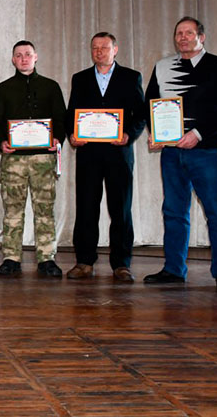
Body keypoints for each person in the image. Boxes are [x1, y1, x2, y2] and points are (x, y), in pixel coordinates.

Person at [144, 17, 217, 293]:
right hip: (172, 154)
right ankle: (174, 269)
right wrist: (154, 132)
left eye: (189, 33)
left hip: (207, 152)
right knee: (174, 212)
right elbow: (150, 104)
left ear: (202, 36)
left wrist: (197, 134)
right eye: (179, 33)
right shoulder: (163, 67)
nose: (183, 37)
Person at [65, 32, 146, 283]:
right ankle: (84, 261)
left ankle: (121, 264)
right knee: (86, 207)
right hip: (88, 153)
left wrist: (128, 134)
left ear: (115, 49)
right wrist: (71, 134)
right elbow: (71, 114)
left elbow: (141, 115)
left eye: (104, 47)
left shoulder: (131, 77)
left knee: (120, 209)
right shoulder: (80, 78)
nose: (99, 51)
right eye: (95, 48)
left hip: (118, 153)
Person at [0, 40, 66, 278]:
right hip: (14, 160)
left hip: (43, 159)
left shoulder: (51, 87)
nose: (23, 59)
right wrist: (1, 142)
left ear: (36, 57)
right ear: (13, 60)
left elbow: (61, 118)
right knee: (12, 210)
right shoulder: (3, 89)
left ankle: (47, 258)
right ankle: (11, 257)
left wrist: (57, 139)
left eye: (27, 54)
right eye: (18, 55)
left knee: (44, 209)